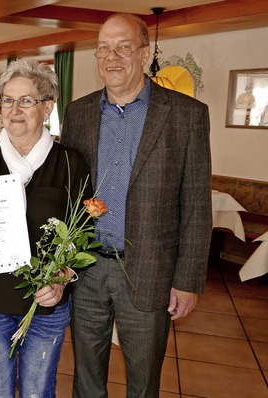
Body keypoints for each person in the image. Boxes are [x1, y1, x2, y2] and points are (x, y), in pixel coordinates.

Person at [60, 13, 212, 398]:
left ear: (143, 53)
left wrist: (187, 280)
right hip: (87, 269)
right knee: (86, 379)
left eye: (124, 46)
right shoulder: (77, 113)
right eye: (103, 48)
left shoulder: (186, 115)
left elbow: (196, 203)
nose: (112, 56)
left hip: (150, 273)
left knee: (144, 384)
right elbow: (66, 191)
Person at [0, 59, 90, 398]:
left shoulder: (70, 163)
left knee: (37, 392)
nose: (14, 110)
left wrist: (62, 278)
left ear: (47, 107)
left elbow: (85, 234)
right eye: (8, 100)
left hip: (47, 302)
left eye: (26, 100)